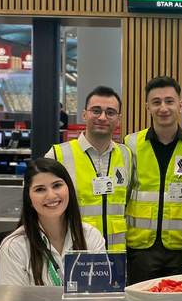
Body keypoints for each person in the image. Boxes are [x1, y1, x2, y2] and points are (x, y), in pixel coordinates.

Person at [125, 76, 182, 284]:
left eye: (169, 101)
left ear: (180, 106)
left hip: (181, 248)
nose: (163, 108)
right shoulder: (131, 144)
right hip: (140, 249)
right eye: (156, 102)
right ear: (147, 107)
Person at [47, 86, 132, 253]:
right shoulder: (58, 155)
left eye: (110, 112)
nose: (102, 117)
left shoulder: (126, 154)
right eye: (96, 111)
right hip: (76, 253)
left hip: (116, 254)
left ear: (118, 119)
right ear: (84, 114)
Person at [0, 157, 105, 286]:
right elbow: (15, 299)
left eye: (57, 185)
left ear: (69, 189)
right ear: (29, 199)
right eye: (40, 189)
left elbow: (100, 292)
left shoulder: (91, 236)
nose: (51, 195)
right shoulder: (13, 248)